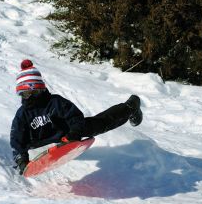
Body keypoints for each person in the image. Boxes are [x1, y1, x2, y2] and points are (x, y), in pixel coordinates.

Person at [10, 59, 143, 174]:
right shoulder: (22, 115)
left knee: (101, 123)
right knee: (22, 141)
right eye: (25, 94)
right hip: (39, 142)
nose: (30, 97)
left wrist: (73, 134)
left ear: (40, 89)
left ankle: (130, 107)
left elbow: (75, 117)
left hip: (67, 132)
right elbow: (16, 140)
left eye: (34, 92)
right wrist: (22, 161)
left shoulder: (55, 102)